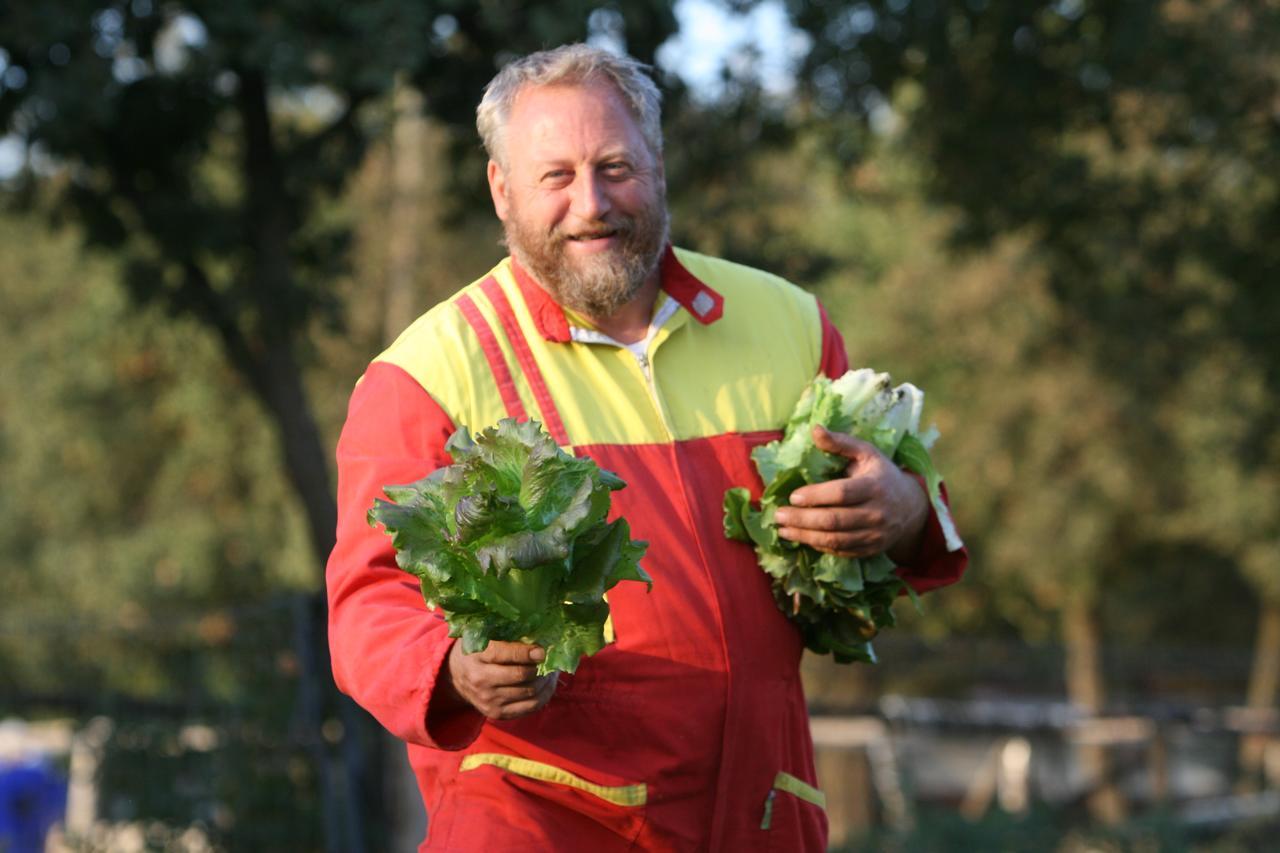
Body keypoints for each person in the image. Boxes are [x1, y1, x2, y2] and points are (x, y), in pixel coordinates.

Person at [326, 43, 967, 851]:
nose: (591, 203)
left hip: (764, 815)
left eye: (615, 166)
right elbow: (368, 605)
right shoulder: (425, 374)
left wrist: (907, 508)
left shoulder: (787, 320)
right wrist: (452, 666)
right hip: (540, 827)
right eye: (555, 176)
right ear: (502, 190)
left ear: (658, 165)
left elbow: (895, 505)